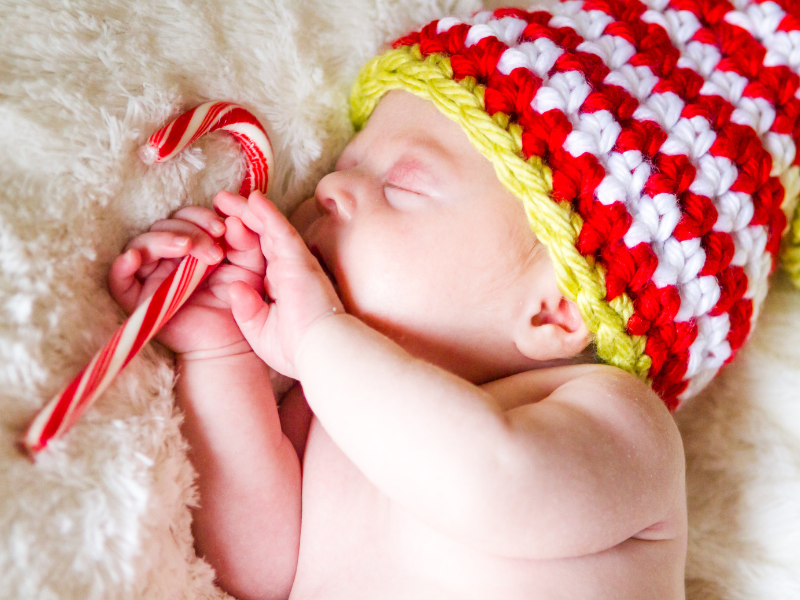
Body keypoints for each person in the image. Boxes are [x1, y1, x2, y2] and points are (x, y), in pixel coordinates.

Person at [108, 3, 800, 598]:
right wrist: (223, 355)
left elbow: (491, 483)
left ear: (556, 311)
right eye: (345, 167)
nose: (327, 191)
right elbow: (256, 567)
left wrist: (320, 342)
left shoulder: (615, 424)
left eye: (402, 186)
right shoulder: (338, 399)